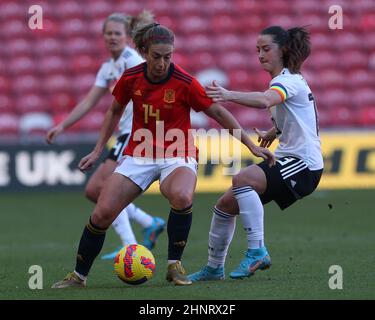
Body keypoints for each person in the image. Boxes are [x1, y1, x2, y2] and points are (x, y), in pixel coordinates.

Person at [51, 22, 275, 288]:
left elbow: (218, 113)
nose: (163, 62)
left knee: (181, 196)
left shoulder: (185, 82)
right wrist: (98, 150)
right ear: (144, 52)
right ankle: (79, 276)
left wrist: (250, 146)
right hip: (139, 154)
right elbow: (113, 111)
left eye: (168, 56)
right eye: (157, 56)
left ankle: (174, 266)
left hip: (177, 153)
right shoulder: (131, 77)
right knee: (101, 214)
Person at [188, 26, 324, 282]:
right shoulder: (288, 79)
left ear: (283, 50)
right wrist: (275, 131)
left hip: (304, 165)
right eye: (257, 50)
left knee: (242, 179)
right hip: (289, 158)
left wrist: (227, 95)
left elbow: (265, 100)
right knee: (225, 205)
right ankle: (214, 268)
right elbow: (301, 115)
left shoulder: (286, 80)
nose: (260, 55)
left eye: (266, 49)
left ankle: (257, 251)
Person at [46, 12, 166, 258]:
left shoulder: (133, 62)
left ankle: (130, 245)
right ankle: (148, 222)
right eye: (108, 33)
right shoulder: (109, 67)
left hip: (136, 133)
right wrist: (63, 125)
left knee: (105, 188)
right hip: (123, 135)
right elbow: (90, 100)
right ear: (102, 36)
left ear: (127, 36)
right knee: (94, 191)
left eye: (117, 33)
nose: (112, 37)